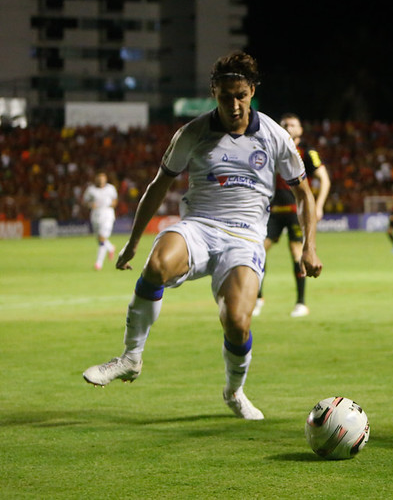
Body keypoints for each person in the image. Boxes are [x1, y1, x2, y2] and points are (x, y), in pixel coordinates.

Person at [82, 51, 322, 420]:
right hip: (198, 227)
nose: (235, 104)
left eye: (241, 95)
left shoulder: (274, 136)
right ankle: (130, 358)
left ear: (252, 91)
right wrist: (131, 243)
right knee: (157, 263)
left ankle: (234, 391)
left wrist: (309, 247)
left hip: (244, 240)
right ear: (214, 93)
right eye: (226, 96)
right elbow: (158, 186)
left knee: (238, 323)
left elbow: (303, 193)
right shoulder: (192, 133)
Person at [252, 113, 330, 318]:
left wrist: (319, 205)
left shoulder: (307, 151)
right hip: (273, 211)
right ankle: (258, 298)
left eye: (293, 124)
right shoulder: (272, 148)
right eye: (285, 124)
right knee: (258, 251)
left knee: (297, 252)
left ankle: (301, 303)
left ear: (300, 130)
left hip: (297, 211)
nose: (288, 127)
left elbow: (324, 179)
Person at [82, 171, 118, 270]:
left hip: (107, 215)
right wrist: (90, 205)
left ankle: (98, 263)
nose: (101, 180)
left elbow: (115, 200)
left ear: (106, 179)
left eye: (102, 178)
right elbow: (85, 201)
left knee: (102, 238)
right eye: (99, 178)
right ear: (96, 179)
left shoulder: (111, 188)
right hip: (95, 215)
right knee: (99, 239)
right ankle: (110, 248)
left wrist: (112, 204)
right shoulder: (91, 190)